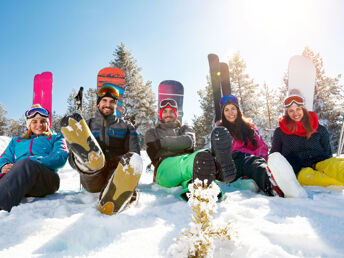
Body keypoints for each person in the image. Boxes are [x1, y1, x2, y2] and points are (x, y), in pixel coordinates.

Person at [63, 85, 142, 215]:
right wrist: (77, 161)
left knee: (128, 164)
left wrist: (127, 168)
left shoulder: (127, 127)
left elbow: (134, 156)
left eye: (112, 102)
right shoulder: (86, 125)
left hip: (115, 171)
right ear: (98, 104)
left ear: (116, 106)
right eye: (104, 101)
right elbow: (70, 160)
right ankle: (86, 159)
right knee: (91, 163)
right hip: (93, 175)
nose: (108, 104)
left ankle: (116, 195)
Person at [145, 98, 236, 200]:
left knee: (203, 156)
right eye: (165, 111)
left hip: (188, 163)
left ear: (176, 114)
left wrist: (161, 143)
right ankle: (217, 168)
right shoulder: (152, 132)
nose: (168, 114)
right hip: (164, 169)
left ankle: (202, 186)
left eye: (171, 111)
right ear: (160, 114)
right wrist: (179, 143)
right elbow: (152, 150)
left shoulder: (185, 128)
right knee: (199, 159)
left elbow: (188, 141)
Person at [216, 94, 293, 197]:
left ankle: (283, 181)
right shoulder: (220, 130)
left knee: (255, 163)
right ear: (223, 113)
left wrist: (258, 157)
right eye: (226, 110)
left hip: (251, 163)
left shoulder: (249, 127)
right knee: (241, 156)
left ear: (238, 110)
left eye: (233, 109)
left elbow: (262, 147)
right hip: (231, 167)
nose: (231, 113)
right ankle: (271, 186)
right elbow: (221, 153)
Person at [0, 104, 68, 212]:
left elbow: (60, 157)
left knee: (25, 164)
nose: (39, 125)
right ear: (29, 124)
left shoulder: (56, 138)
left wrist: (34, 160)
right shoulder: (16, 141)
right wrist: (4, 165)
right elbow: (4, 157)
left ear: (48, 123)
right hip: (20, 178)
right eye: (34, 122)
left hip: (46, 179)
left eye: (43, 121)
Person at [270, 94, 344, 187]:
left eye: (298, 109)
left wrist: (326, 166)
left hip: (321, 161)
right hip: (299, 168)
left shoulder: (319, 129)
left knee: (339, 167)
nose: (295, 113)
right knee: (327, 182)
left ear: (303, 109)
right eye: (291, 111)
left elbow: (327, 151)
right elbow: (274, 155)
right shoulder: (280, 131)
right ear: (287, 113)